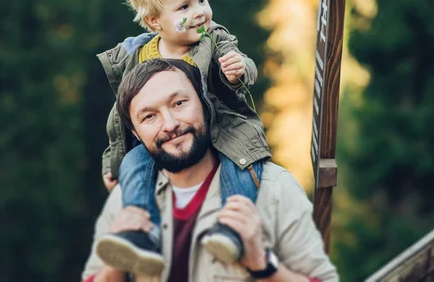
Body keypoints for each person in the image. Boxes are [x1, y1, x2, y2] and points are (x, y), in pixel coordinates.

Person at [82, 59, 338, 282]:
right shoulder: (124, 200)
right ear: (136, 134)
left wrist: (262, 263)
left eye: (179, 103)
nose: (169, 124)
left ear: (205, 105)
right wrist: (115, 261)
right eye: (149, 117)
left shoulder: (274, 188)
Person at [96, 0, 271, 274]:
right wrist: (113, 160)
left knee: (241, 165)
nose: (200, 13)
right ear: (154, 21)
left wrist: (238, 70)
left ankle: (232, 228)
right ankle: (140, 233)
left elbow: (242, 62)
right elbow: (121, 117)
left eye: (203, 0)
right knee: (135, 164)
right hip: (165, 137)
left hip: (223, 129)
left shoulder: (214, 40)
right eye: (184, 7)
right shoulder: (137, 57)